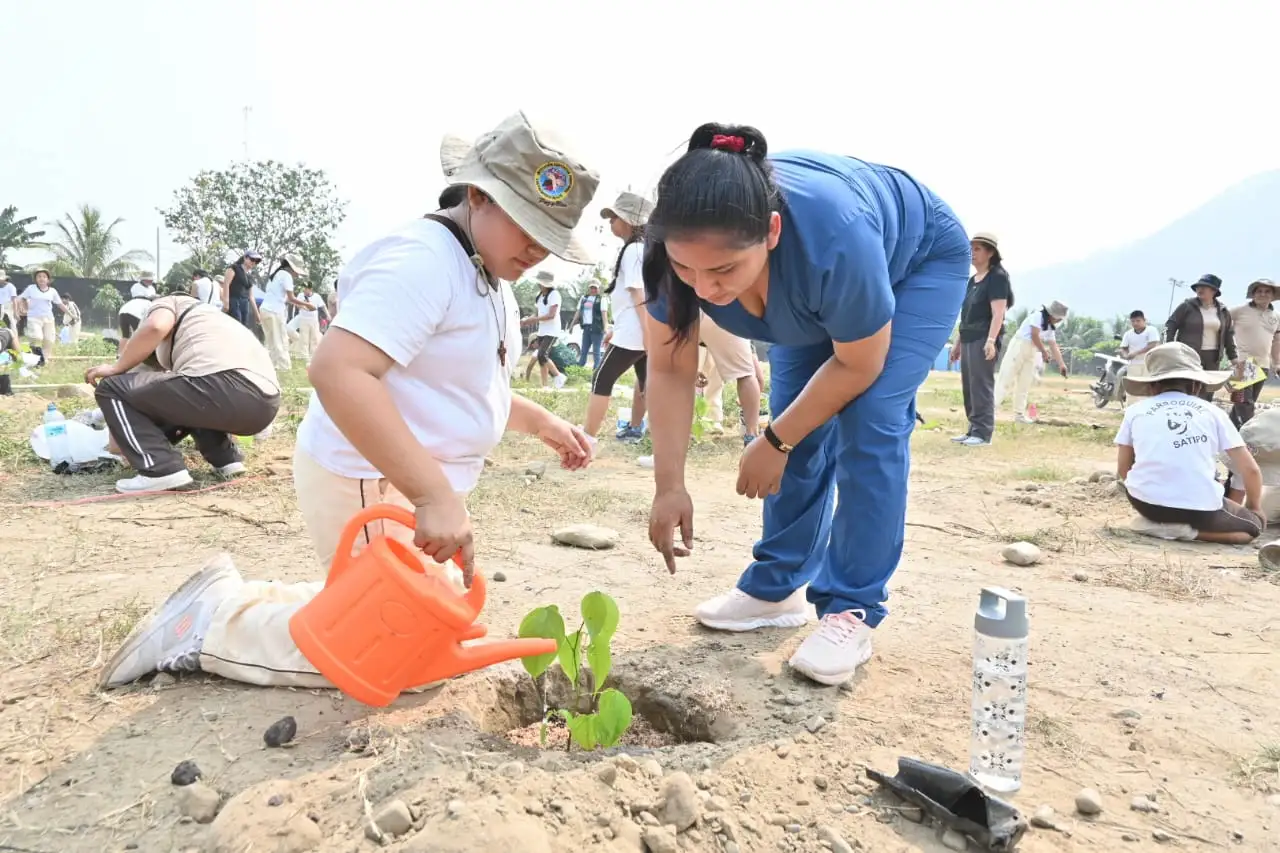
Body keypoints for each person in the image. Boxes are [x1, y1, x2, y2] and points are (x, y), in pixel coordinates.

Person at [97, 113, 599, 692]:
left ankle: (235, 600)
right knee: (394, 649)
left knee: (419, 612)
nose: (539, 248)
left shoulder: (486, 273)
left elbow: (459, 390)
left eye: (551, 235)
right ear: (479, 195)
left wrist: (542, 423)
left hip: (403, 485)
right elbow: (338, 371)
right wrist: (432, 493)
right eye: (528, 225)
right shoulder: (425, 261)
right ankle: (207, 628)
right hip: (369, 479)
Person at [642, 124, 969, 687]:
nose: (705, 288)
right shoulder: (670, 253)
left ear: (771, 232)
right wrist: (669, 484)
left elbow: (858, 365)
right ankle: (777, 587)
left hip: (914, 261)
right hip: (817, 286)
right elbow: (671, 366)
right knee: (797, 411)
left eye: (723, 271)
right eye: (686, 269)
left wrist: (772, 442)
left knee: (869, 417)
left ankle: (852, 607)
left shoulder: (833, 240)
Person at [84, 293, 282, 494]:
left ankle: (161, 469)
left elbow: (155, 326)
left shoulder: (169, 302)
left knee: (111, 387)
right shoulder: (209, 321)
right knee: (188, 396)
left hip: (226, 387)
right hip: (265, 404)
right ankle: (227, 460)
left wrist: (116, 368)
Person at [1116, 342, 1264, 544]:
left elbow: (1123, 468)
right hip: (1199, 511)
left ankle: (1159, 525)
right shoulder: (1213, 413)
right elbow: (1251, 470)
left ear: (1152, 386)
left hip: (1145, 503)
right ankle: (1186, 532)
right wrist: (1255, 507)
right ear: (1196, 386)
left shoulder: (1134, 411)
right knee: (1252, 527)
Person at [583, 192, 653, 440]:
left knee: (601, 377)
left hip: (635, 331)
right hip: (635, 329)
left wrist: (646, 333)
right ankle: (640, 431)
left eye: (614, 217)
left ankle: (587, 437)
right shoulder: (639, 248)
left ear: (629, 220)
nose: (610, 222)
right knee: (647, 384)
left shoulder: (634, 249)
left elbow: (639, 294)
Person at [950, 232, 1011, 446]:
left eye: (977, 249)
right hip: (968, 337)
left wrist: (991, 340)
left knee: (981, 384)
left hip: (984, 337)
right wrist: (958, 342)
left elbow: (998, 313)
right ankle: (972, 429)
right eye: (971, 248)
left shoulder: (998, 277)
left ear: (990, 252)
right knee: (969, 385)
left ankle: (983, 433)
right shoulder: (972, 281)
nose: (972, 253)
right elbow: (966, 314)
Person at [993, 301, 1069, 427]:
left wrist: (1062, 364)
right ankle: (991, 410)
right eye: (1059, 318)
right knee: (1006, 379)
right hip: (1019, 346)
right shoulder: (1037, 316)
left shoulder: (1050, 327)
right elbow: (1034, 335)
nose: (1060, 321)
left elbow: (1053, 345)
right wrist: (1044, 352)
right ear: (1053, 315)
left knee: (1024, 383)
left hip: (1032, 351)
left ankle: (1019, 414)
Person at [1165, 273, 1239, 401]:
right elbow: (1171, 325)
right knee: (1188, 388)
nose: (1200, 289)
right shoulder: (1187, 306)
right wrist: (1170, 347)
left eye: (1205, 287)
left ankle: (1203, 418)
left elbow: (1227, 335)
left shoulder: (1223, 311)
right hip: (1189, 355)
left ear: (1214, 291)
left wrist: (1233, 357)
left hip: (1213, 357)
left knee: (1207, 390)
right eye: (1198, 286)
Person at [1228, 278, 1279, 428]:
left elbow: (1277, 342)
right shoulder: (1238, 311)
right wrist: (1230, 353)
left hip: (1263, 364)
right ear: (1252, 294)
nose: (1262, 294)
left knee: (1242, 404)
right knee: (1245, 404)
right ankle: (1250, 439)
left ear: (1273, 295)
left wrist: (1277, 363)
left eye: (1267, 291)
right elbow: (1221, 326)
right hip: (1243, 362)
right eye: (1259, 291)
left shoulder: (1276, 316)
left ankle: (1230, 435)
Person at [260, 253, 311, 371]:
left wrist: (301, 306)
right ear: (292, 268)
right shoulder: (286, 276)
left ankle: (270, 367)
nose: (297, 275)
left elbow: (284, 298)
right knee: (281, 341)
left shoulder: (275, 275)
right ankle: (284, 368)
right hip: (274, 312)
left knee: (270, 342)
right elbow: (292, 297)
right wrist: (307, 304)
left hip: (265, 310)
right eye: (297, 271)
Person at [521, 270, 567, 388]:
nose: (540, 285)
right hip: (542, 330)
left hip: (552, 331)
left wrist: (534, 320)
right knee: (542, 360)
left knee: (542, 355)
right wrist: (526, 320)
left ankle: (558, 376)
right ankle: (545, 386)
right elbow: (536, 313)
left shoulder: (555, 295)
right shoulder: (540, 296)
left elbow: (552, 315)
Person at [19, 268, 69, 366]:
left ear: (48, 279)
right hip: (34, 318)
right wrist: (24, 308)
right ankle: (34, 358)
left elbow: (59, 304)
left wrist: (70, 313)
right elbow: (22, 298)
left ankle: (44, 359)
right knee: (37, 337)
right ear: (36, 279)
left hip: (48, 318)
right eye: (39, 277)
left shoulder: (52, 291)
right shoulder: (31, 288)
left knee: (49, 339)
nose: (42, 279)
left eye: (44, 277)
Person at [220, 250, 263, 329]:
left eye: (256, 261)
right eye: (252, 259)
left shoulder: (250, 277)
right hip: (234, 301)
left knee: (243, 327)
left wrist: (257, 314)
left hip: (245, 304)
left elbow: (251, 297)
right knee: (235, 325)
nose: (254, 262)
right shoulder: (234, 268)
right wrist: (226, 302)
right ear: (245, 258)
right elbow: (226, 284)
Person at [570, 281, 607, 368]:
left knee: (596, 351)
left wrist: (605, 328)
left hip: (597, 328)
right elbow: (578, 312)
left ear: (598, 289)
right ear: (589, 288)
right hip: (586, 328)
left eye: (595, 288)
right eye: (592, 288)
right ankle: (579, 368)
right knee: (584, 350)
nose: (593, 290)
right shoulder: (584, 298)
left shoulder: (602, 299)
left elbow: (604, 314)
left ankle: (596, 370)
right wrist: (572, 325)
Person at [291, 281, 327, 366]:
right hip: (304, 319)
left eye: (306, 288)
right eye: (304, 288)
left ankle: (313, 356)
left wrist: (327, 314)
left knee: (314, 338)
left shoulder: (317, 297)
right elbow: (297, 305)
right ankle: (304, 357)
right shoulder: (300, 295)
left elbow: (322, 306)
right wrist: (304, 307)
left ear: (310, 289)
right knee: (304, 338)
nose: (304, 290)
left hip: (313, 320)